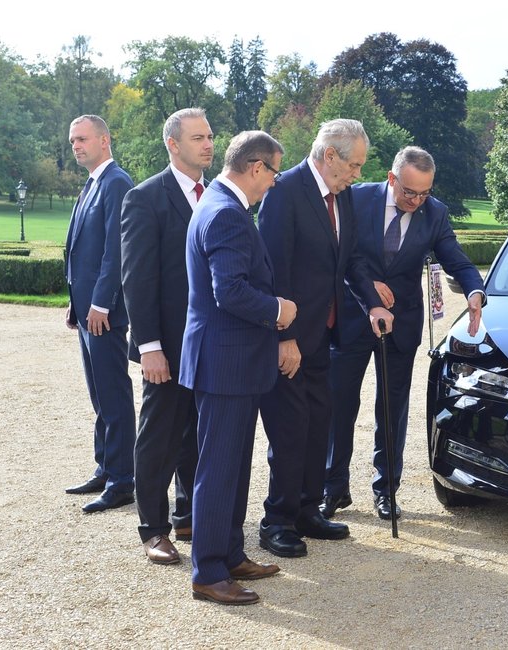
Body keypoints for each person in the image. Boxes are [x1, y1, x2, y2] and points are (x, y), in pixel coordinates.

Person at [322, 146, 485, 521]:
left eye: (424, 192)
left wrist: (475, 292)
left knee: (392, 410)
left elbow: (456, 259)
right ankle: (332, 489)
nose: (416, 200)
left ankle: (386, 491)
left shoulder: (435, 213)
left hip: (403, 325)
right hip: (352, 317)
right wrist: (369, 287)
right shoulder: (354, 197)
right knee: (338, 406)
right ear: (392, 178)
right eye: (410, 192)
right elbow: (341, 256)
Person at [255, 118, 393, 558]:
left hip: (327, 336)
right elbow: (272, 271)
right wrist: (286, 337)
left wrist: (372, 302)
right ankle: (276, 521)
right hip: (292, 340)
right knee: (291, 432)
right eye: (353, 165)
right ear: (329, 155)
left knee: (319, 426)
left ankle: (307, 510)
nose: (357, 175)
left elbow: (349, 260)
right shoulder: (284, 193)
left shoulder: (343, 195)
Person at [180, 130, 296, 606]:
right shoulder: (226, 213)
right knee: (219, 469)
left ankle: (228, 554)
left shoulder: (219, 205)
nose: (274, 182)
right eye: (274, 172)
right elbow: (229, 291)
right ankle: (208, 571)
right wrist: (278, 311)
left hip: (230, 361)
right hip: (226, 363)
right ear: (255, 167)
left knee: (230, 467)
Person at [120, 108, 212, 565]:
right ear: (173, 144)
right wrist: (150, 346)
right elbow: (137, 280)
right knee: (158, 436)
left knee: (196, 434)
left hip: (209, 344)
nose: (208, 144)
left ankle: (188, 514)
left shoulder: (215, 195)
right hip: (168, 347)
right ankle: (152, 529)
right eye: (198, 137)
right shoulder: (145, 198)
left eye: (211, 136)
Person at [63, 115, 136, 514]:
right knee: (99, 395)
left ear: (104, 140)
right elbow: (79, 248)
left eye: (82, 138)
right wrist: (76, 303)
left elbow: (116, 250)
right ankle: (105, 467)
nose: (76, 145)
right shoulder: (92, 184)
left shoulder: (116, 183)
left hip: (104, 313)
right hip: (87, 310)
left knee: (114, 395)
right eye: (72, 140)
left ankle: (123, 479)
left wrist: (100, 303)